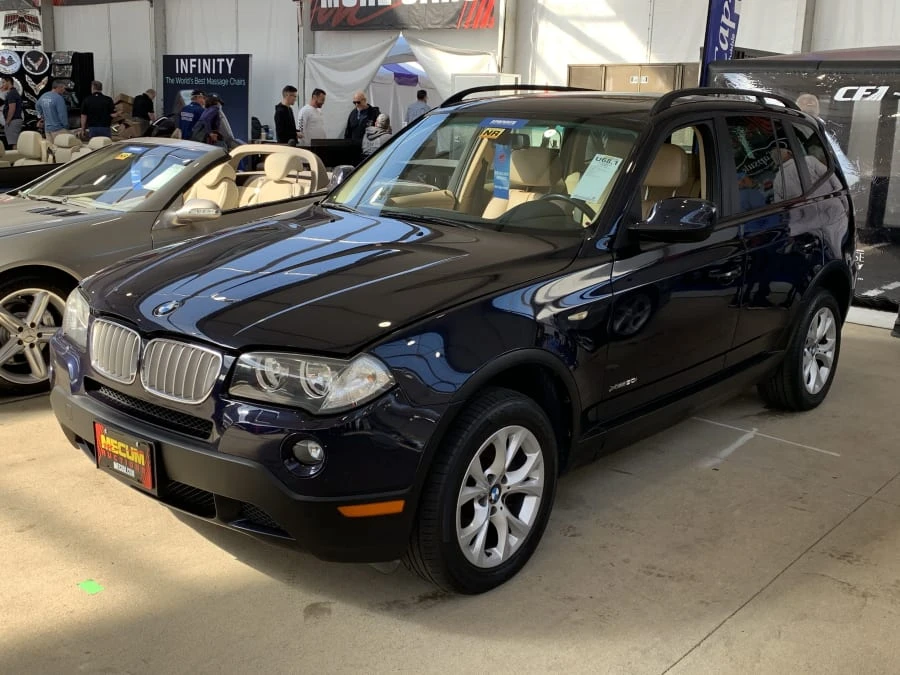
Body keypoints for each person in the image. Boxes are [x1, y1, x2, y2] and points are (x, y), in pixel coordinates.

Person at [0, 75, 23, 148]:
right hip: (14, 120)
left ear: (9, 82)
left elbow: (12, 109)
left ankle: (16, 155)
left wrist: (7, 122)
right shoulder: (12, 93)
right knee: (14, 142)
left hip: (13, 121)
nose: (2, 85)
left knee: (14, 143)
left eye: (3, 82)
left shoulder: (12, 94)